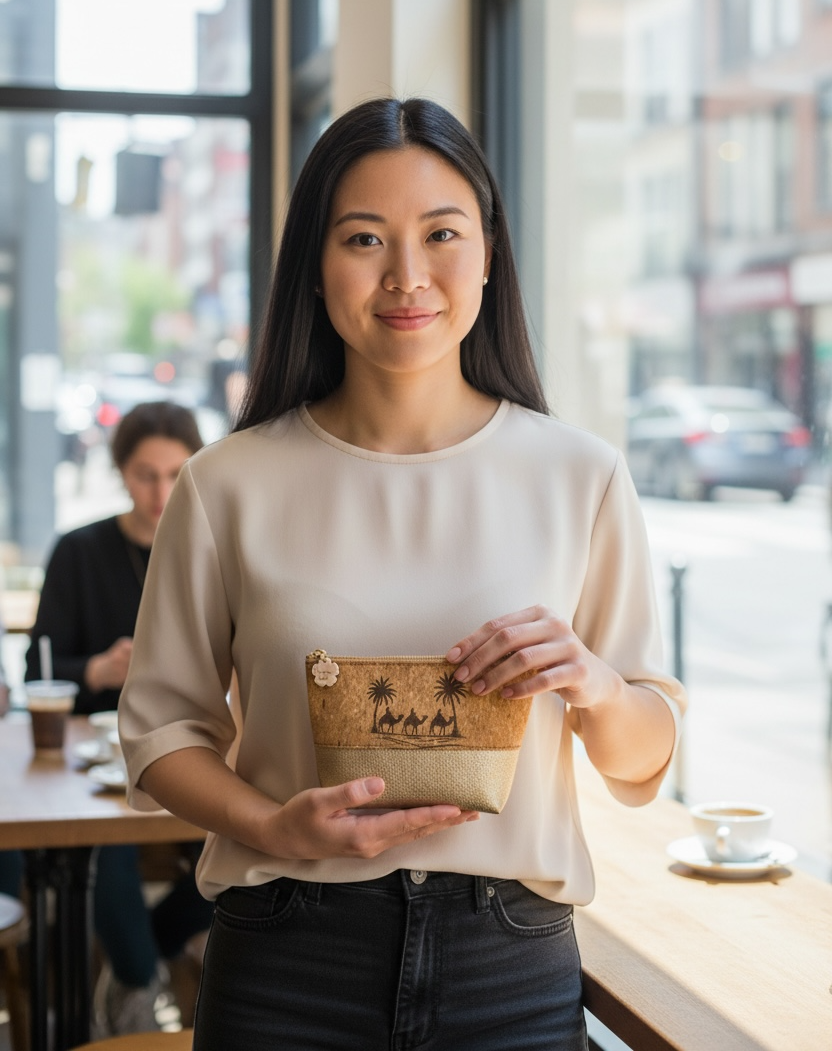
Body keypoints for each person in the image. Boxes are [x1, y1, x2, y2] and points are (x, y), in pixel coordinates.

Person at [119, 98, 686, 1050]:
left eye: (441, 234)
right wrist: (278, 825)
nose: (407, 276)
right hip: (288, 960)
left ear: (490, 253)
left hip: (509, 960)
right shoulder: (227, 483)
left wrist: (592, 681)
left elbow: (643, 759)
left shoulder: (580, 474)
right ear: (315, 263)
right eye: (365, 238)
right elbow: (160, 733)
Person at [25, 400, 213, 1036]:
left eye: (175, 474)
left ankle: (143, 958)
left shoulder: (209, 550)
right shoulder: (80, 552)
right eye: (144, 475)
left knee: (244, 841)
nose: (161, 492)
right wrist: (98, 672)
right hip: (94, 761)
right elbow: (38, 669)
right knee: (102, 846)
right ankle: (135, 984)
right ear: (120, 473)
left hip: (196, 746)